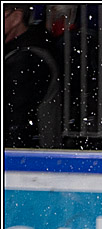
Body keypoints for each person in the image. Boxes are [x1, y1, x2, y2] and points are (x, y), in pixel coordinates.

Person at [4, 3, 60, 148]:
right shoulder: (18, 53)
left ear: (16, 17)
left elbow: (16, 117)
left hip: (29, 153)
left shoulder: (28, 58)